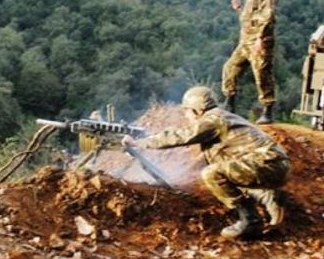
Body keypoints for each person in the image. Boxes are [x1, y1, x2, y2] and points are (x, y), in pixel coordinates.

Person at [122, 86, 289, 239]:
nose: (186, 116)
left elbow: (181, 136)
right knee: (226, 170)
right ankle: (268, 195)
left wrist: (140, 142)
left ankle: (250, 220)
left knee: (212, 173)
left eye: (186, 111)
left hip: (267, 163)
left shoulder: (212, 120)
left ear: (197, 110)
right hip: (272, 164)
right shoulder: (222, 117)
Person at [222, 0, 278, 124]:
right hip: (246, 41)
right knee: (230, 68)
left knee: (262, 74)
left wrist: (261, 38)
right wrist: (239, 8)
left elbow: (268, 16)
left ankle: (267, 111)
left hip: (258, 41)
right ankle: (229, 104)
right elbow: (249, 18)